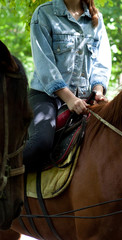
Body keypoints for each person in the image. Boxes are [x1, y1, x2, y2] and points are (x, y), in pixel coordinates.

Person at [24, 0, 112, 171]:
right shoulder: (43, 14)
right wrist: (70, 99)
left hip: (85, 98)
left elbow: (102, 62)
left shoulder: (96, 19)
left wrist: (98, 91)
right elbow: (45, 65)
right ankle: (6, 180)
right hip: (46, 96)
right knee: (41, 143)